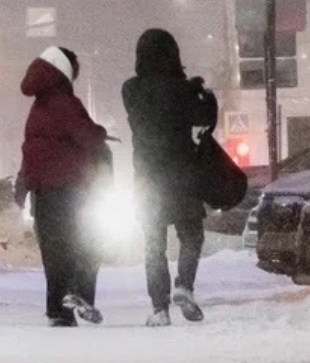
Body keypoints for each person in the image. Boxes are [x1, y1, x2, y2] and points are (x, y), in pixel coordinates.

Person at [121, 28, 217, 327]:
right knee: (191, 236)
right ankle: (184, 285)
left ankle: (159, 308)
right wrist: (204, 94)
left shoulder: (130, 90)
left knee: (154, 245)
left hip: (147, 179)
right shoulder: (182, 89)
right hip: (182, 176)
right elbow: (204, 121)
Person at [18, 46, 110, 327]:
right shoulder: (65, 103)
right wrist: (103, 134)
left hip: (41, 191)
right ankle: (78, 292)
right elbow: (86, 136)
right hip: (69, 188)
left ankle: (58, 311)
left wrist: (23, 186)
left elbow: (33, 151)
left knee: (54, 251)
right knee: (87, 242)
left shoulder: (38, 106)